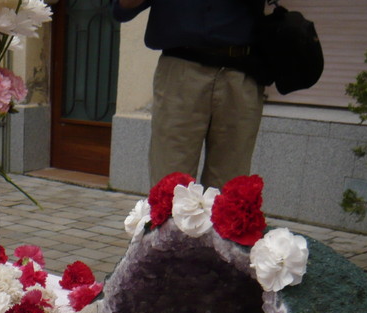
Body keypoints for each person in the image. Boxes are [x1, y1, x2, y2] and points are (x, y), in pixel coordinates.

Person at [112, 0, 267, 189]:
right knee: (171, 188)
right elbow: (124, 7)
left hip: (241, 71)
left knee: (229, 195)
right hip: (180, 70)